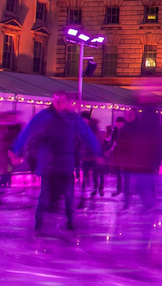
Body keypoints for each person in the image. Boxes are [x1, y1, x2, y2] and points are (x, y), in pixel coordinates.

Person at [12, 91, 100, 232]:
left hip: (66, 164)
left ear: (65, 102)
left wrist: (98, 152)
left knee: (68, 197)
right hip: (50, 165)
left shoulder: (73, 119)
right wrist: (16, 149)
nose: (59, 104)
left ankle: (69, 223)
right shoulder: (44, 116)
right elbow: (28, 131)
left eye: (62, 101)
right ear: (53, 101)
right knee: (45, 195)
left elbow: (87, 135)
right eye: (57, 101)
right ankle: (39, 224)